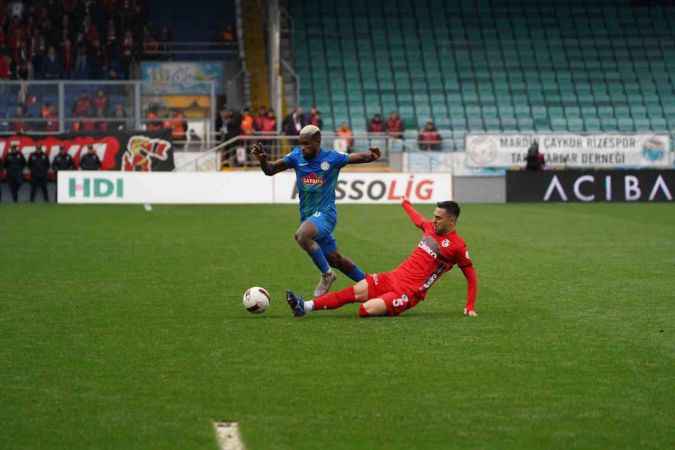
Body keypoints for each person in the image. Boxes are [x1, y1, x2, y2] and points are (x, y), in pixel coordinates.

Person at [286, 198, 478, 318]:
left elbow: (471, 276)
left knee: (365, 310)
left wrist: (469, 306)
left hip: (408, 293)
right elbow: (417, 219)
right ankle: (305, 306)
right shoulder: (430, 228)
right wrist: (405, 203)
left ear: (451, 221)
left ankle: (383, 300)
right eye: (434, 216)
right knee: (356, 290)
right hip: (393, 277)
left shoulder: (457, 246)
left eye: (438, 218)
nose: (433, 220)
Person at [251, 125, 381, 296]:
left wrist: (371, 156)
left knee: (302, 235)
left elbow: (353, 157)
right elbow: (270, 170)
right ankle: (374, 286)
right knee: (336, 259)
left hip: (326, 215)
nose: (303, 147)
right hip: (308, 217)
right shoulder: (296, 156)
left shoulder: (331, 158)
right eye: (301, 143)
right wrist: (262, 160)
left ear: (318, 141)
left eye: (307, 144)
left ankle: (327, 275)